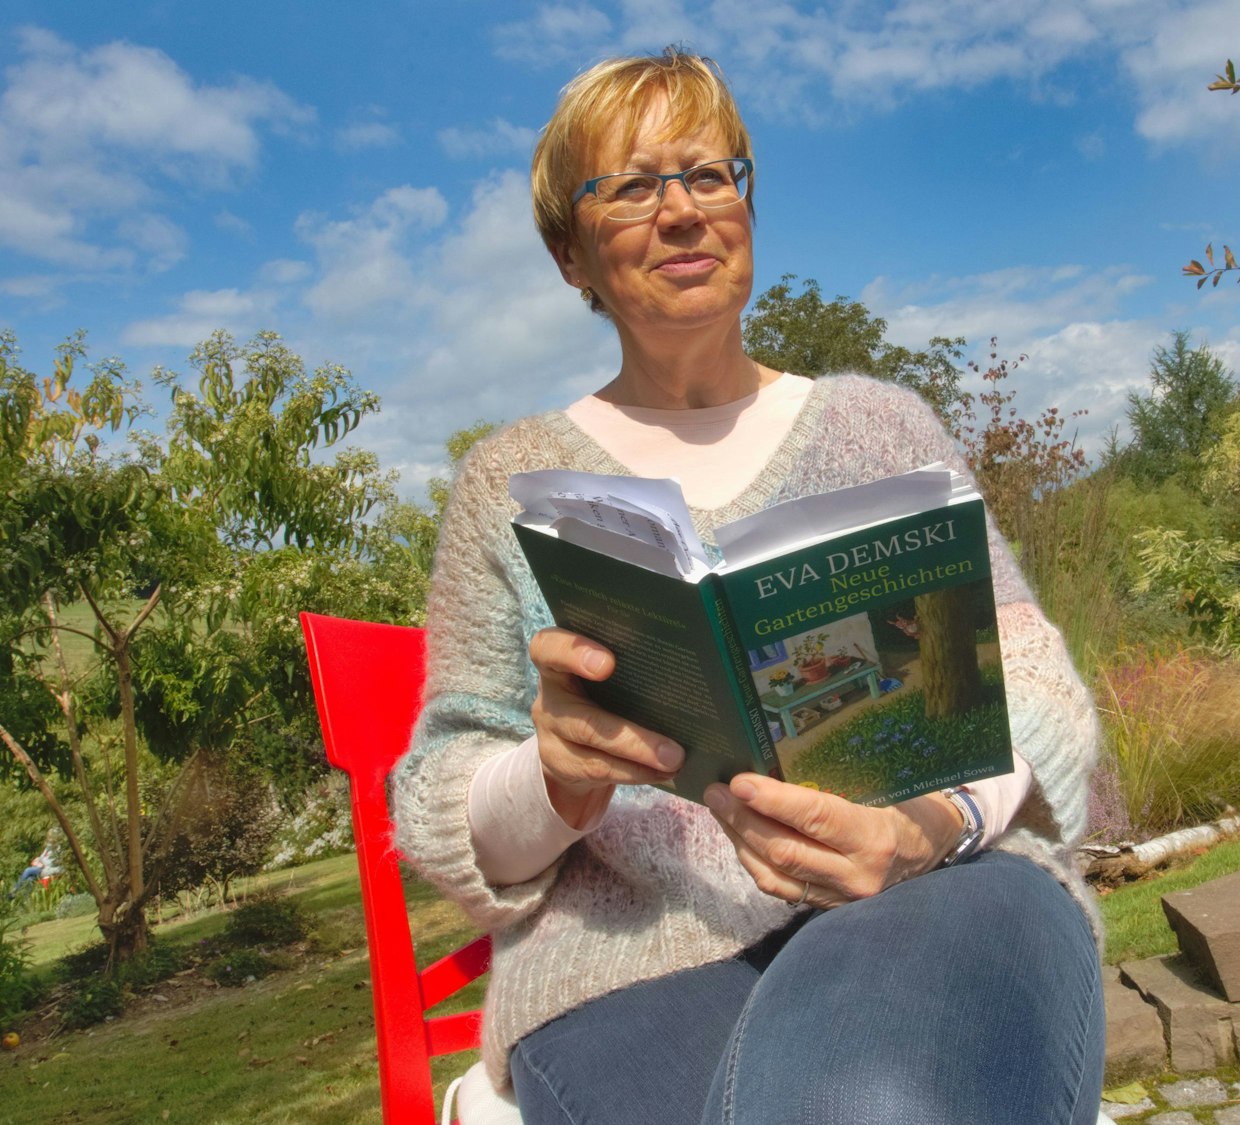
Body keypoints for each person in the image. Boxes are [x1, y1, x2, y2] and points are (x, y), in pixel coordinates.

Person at [391, 49, 1104, 1125]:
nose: (681, 212)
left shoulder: (877, 427)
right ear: (567, 254)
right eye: (631, 186)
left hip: (929, 889)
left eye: (709, 175)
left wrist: (923, 825)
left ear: (746, 207)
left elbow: (1030, 678)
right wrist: (553, 777)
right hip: (624, 961)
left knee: (878, 1100)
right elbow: (446, 789)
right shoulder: (510, 483)